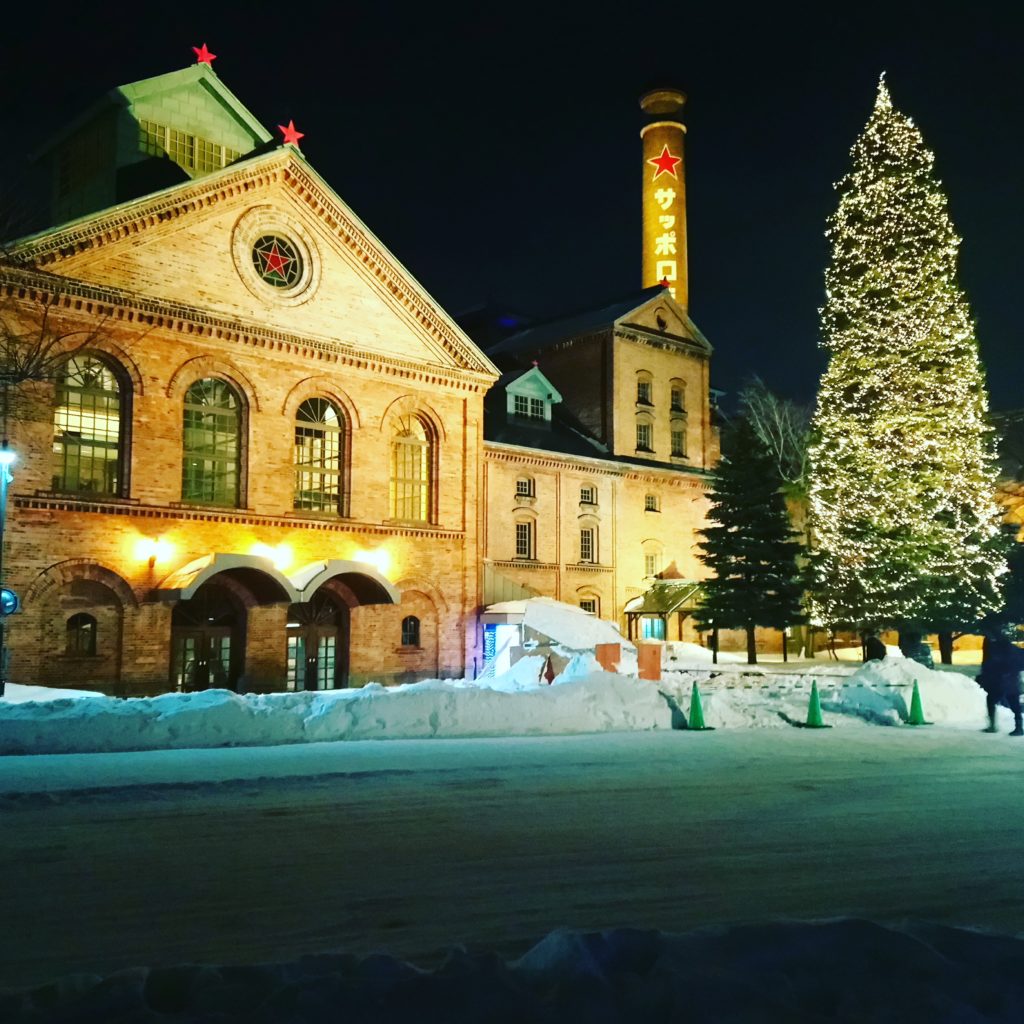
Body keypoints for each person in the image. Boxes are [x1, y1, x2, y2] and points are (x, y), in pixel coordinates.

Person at [977, 633, 1024, 736]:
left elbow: (991, 665)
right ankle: (1018, 727)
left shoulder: (998, 650)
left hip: (1002, 681)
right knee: (1013, 704)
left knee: (993, 701)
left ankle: (994, 726)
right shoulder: (1010, 649)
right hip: (1009, 681)